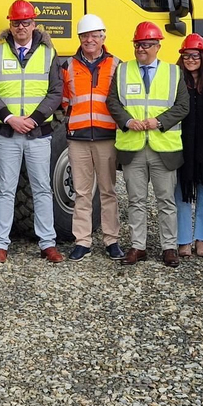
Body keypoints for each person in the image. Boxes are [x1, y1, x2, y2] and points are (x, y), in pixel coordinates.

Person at [0, 0, 63, 264]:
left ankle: (47, 244)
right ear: (11, 24)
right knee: (5, 190)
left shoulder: (49, 53)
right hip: (7, 133)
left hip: (38, 134)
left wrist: (35, 119)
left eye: (26, 22)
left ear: (34, 23)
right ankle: (0, 245)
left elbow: (56, 92)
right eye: (17, 23)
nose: (22, 27)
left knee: (42, 189)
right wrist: (11, 118)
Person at [109, 23, 189, 267]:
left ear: (157, 46)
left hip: (163, 148)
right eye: (137, 44)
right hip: (133, 148)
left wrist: (159, 121)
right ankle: (138, 246)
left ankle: (169, 248)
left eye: (146, 44)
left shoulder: (174, 73)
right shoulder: (123, 70)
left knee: (166, 201)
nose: (140, 49)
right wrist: (127, 121)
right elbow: (112, 102)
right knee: (136, 200)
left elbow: (183, 106)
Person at [62, 14, 124, 262]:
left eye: (94, 35)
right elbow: (64, 100)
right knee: (82, 192)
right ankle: (82, 241)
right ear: (79, 38)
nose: (89, 40)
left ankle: (112, 240)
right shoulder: (67, 66)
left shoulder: (116, 64)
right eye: (85, 36)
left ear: (103, 37)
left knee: (108, 191)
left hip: (106, 136)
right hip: (77, 138)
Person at [174, 34, 203, 258]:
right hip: (181, 146)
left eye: (195, 55)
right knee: (180, 193)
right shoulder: (174, 80)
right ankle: (183, 240)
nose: (190, 59)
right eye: (186, 55)